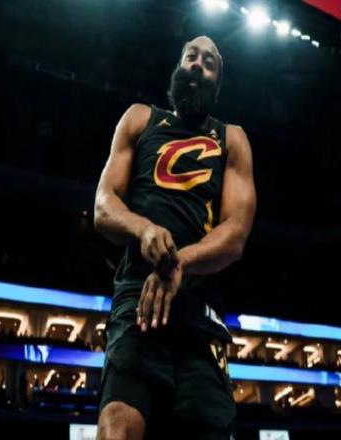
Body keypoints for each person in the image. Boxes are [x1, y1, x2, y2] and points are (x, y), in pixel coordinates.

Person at [94, 35, 256, 440]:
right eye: (191, 57)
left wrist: (179, 262)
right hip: (140, 296)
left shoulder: (232, 138)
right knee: (118, 423)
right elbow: (103, 205)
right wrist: (144, 229)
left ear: (217, 85)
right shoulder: (140, 119)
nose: (198, 64)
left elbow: (236, 234)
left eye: (209, 63)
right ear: (178, 69)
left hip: (200, 308)